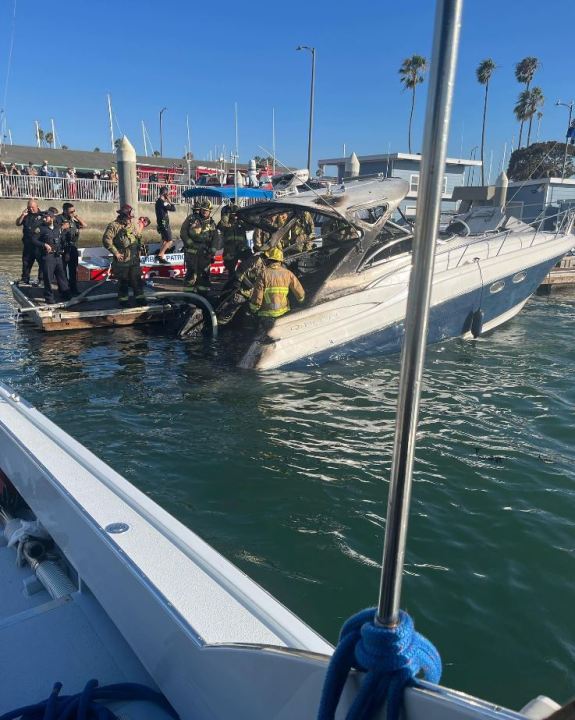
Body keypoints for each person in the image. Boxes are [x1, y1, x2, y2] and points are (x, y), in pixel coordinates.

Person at [249, 246, 305, 329]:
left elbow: (258, 294)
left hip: (266, 313)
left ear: (269, 260)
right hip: (283, 311)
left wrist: (254, 308)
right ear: (280, 261)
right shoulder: (288, 273)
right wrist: (301, 300)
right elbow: (299, 291)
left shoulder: (263, 274)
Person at [102, 205, 148, 307]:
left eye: (130, 218)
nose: (130, 220)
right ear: (123, 216)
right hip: (122, 260)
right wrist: (116, 253)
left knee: (137, 280)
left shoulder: (131, 225)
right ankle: (123, 301)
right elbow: (106, 240)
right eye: (128, 217)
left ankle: (140, 299)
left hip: (134, 259)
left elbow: (136, 237)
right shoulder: (113, 226)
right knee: (124, 281)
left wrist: (141, 230)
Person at [32, 209, 71, 304]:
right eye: (44, 217)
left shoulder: (57, 228)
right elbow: (33, 240)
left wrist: (65, 252)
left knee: (62, 276)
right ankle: (49, 298)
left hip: (58, 256)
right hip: (48, 257)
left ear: (52, 218)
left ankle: (65, 294)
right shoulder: (40, 229)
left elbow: (62, 240)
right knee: (48, 278)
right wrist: (44, 245)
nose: (44, 219)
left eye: (47, 217)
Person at [181, 200, 218, 294]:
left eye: (206, 210)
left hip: (205, 253)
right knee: (191, 274)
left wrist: (212, 251)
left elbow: (215, 238)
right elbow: (183, 232)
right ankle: (188, 296)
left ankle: (203, 295)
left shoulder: (212, 224)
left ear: (210, 211)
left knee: (204, 274)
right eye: (203, 209)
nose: (204, 211)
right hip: (192, 252)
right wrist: (189, 242)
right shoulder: (192, 218)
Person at [55, 203, 87, 295]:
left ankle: (74, 288)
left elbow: (84, 225)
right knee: (63, 271)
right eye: (71, 211)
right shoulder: (58, 219)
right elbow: (53, 231)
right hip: (63, 248)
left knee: (73, 270)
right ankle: (64, 290)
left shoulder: (73, 220)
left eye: (74, 211)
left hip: (73, 248)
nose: (73, 213)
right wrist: (62, 227)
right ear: (65, 211)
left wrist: (76, 216)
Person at [16, 199, 44, 285]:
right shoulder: (26, 215)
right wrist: (23, 215)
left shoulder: (43, 215)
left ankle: (41, 280)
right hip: (28, 244)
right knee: (26, 262)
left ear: (37, 206)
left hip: (38, 245)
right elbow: (18, 223)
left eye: (33, 207)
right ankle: (25, 279)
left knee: (42, 263)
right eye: (29, 207)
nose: (31, 209)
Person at [217, 203, 248, 277]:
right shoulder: (226, 223)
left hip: (242, 249)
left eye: (236, 214)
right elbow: (220, 227)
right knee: (231, 271)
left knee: (249, 262)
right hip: (230, 251)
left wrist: (244, 217)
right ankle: (231, 285)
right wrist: (225, 217)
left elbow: (250, 226)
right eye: (233, 214)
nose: (235, 216)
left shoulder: (241, 223)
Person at [155, 185, 176, 263]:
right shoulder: (163, 203)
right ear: (165, 194)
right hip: (164, 224)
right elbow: (173, 209)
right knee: (169, 241)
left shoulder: (157, 202)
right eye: (168, 194)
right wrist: (170, 201)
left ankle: (162, 255)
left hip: (160, 224)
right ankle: (160, 255)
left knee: (164, 241)